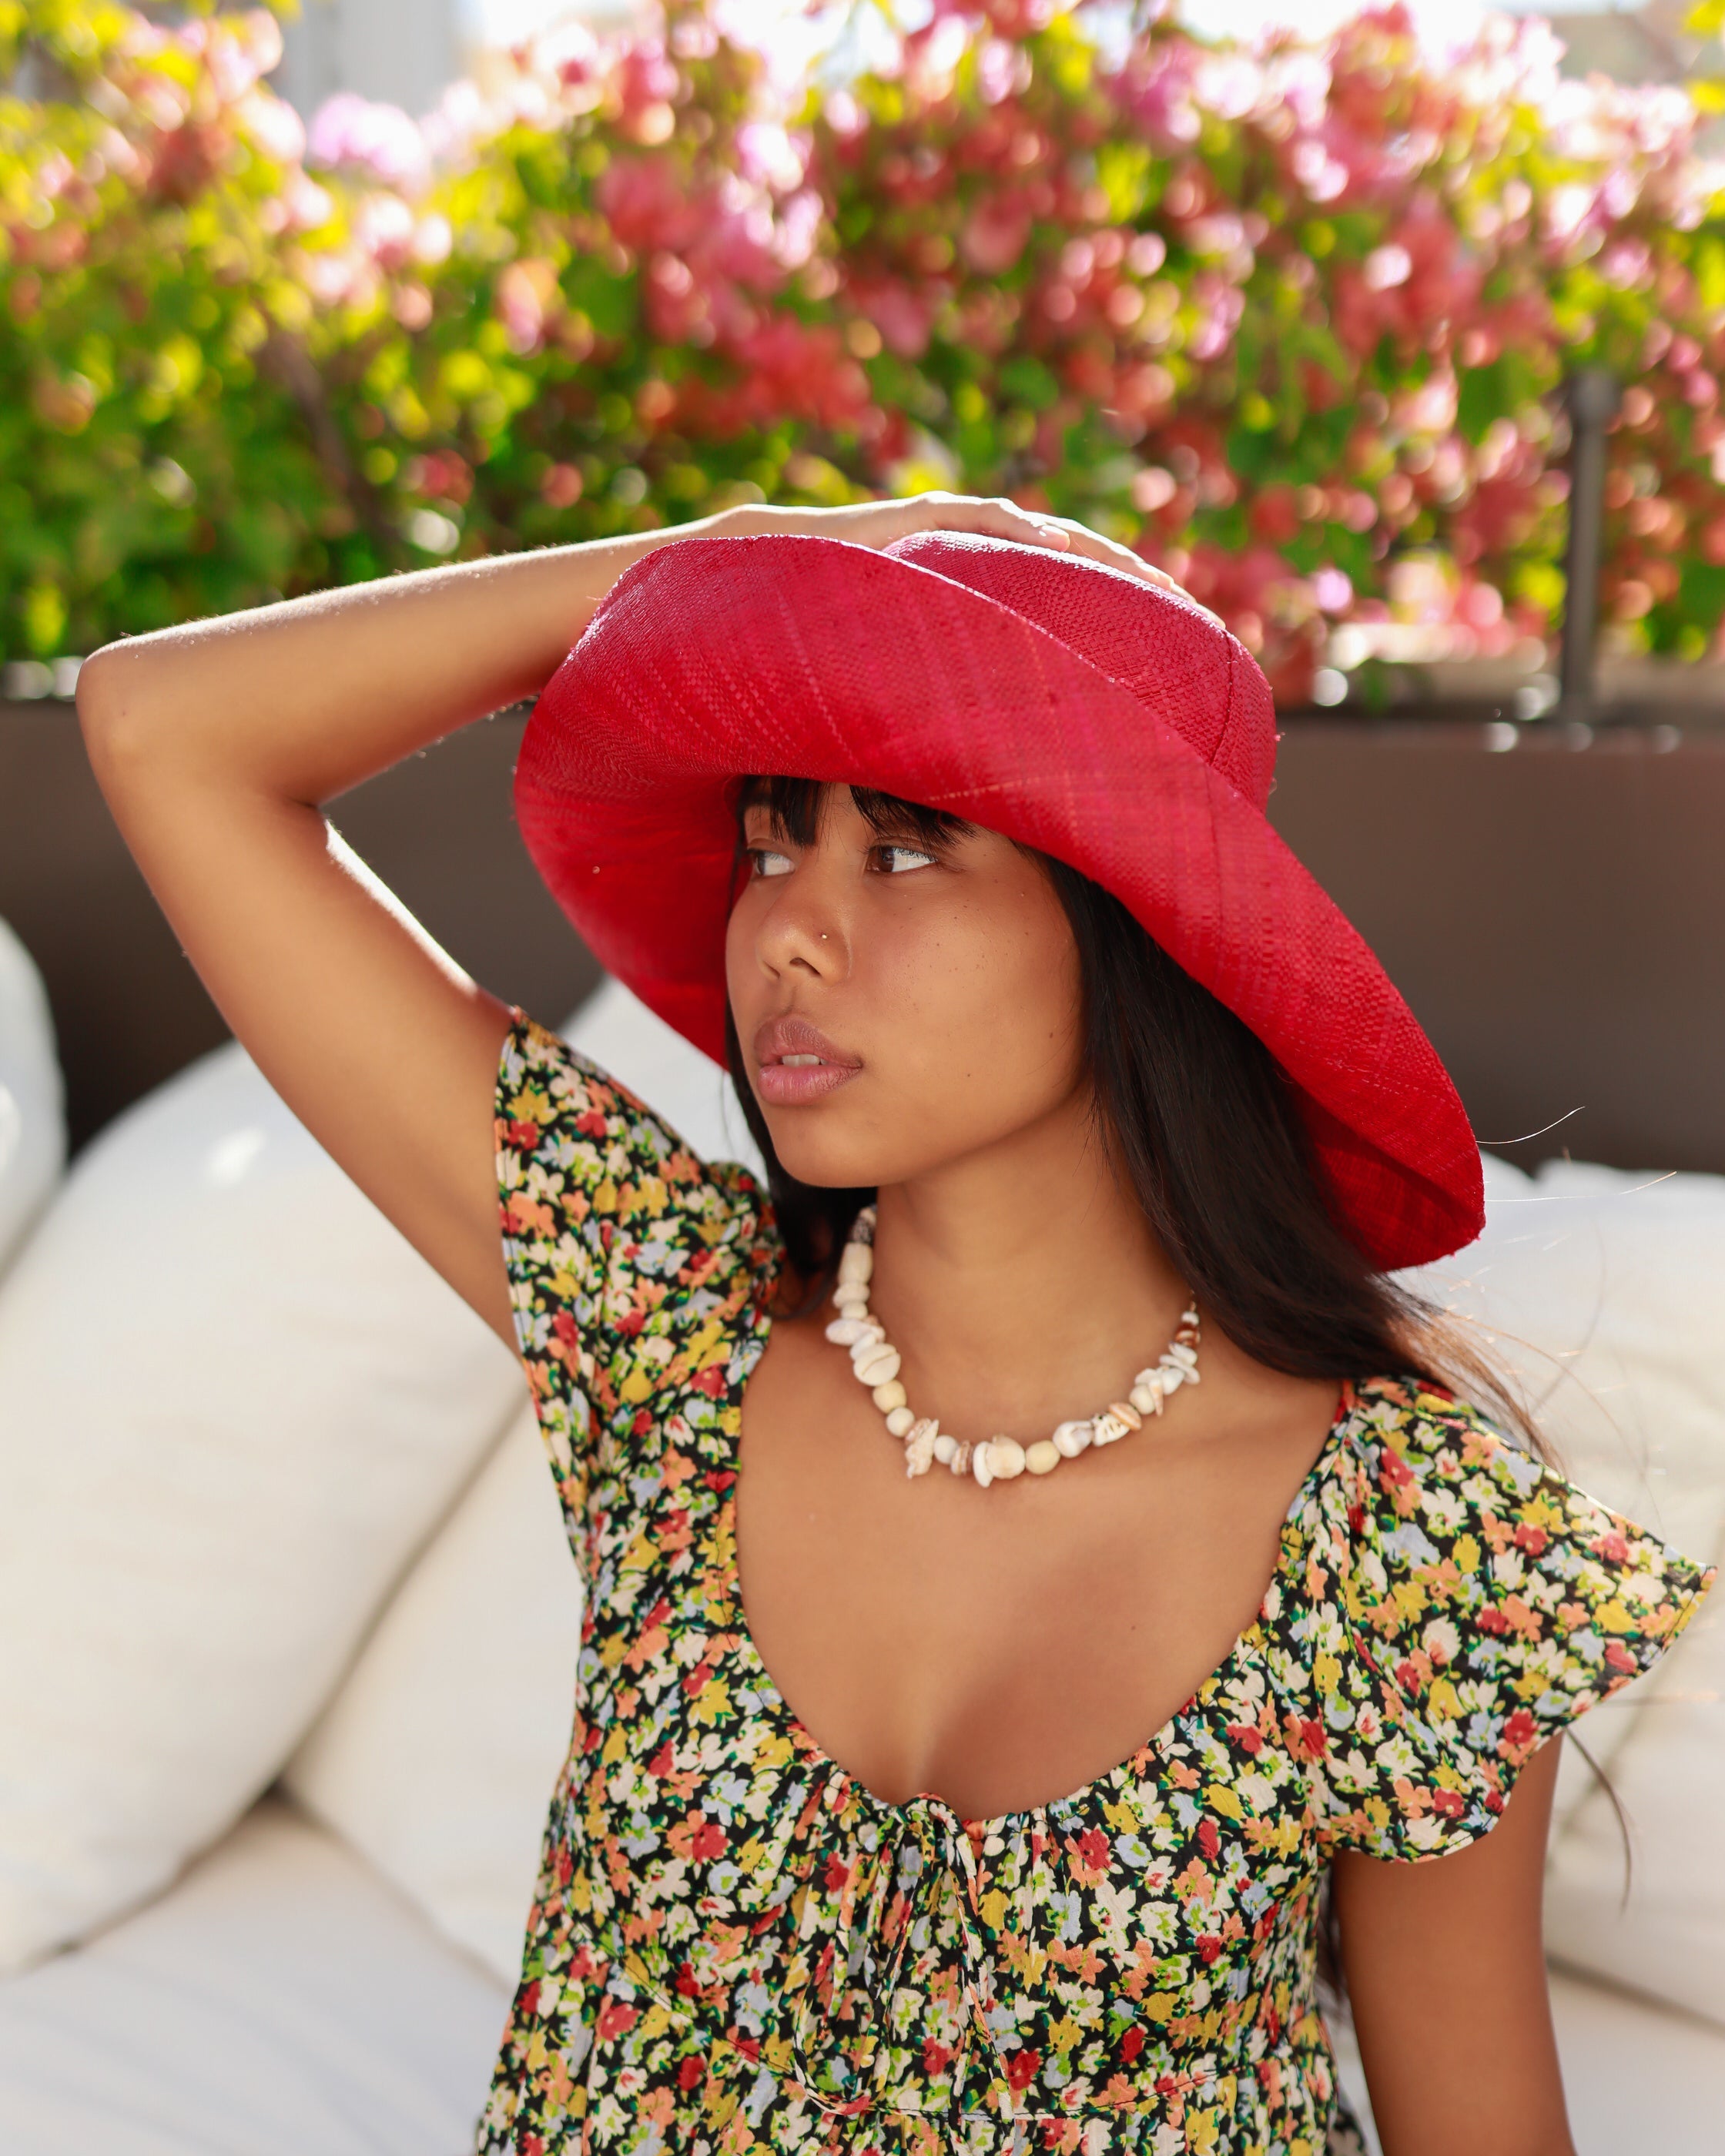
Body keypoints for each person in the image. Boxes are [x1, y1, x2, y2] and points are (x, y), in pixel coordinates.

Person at [78, 494, 1712, 2156]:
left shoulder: (1401, 1542)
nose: (787, 925)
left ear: (1130, 918)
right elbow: (161, 728)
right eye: (773, 839)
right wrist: (730, 558)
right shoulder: (670, 1332)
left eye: (906, 847)